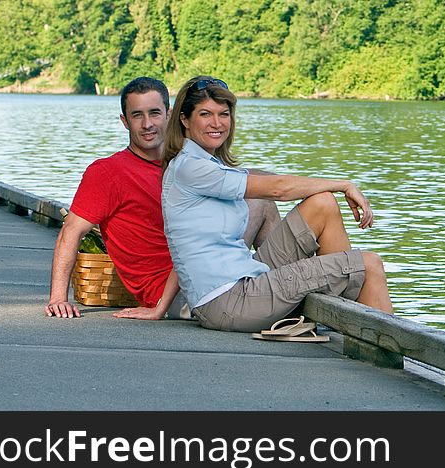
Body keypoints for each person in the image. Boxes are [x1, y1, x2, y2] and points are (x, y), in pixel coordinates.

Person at [158, 76, 393, 333]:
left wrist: (160, 307)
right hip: (230, 301)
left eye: (223, 114)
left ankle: (338, 303)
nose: (217, 123)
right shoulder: (193, 167)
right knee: (369, 265)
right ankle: (385, 356)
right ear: (184, 119)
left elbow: (183, 248)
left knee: (322, 203)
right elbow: (278, 189)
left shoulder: (200, 162)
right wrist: (344, 184)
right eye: (205, 114)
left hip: (243, 279)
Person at [45, 76, 280, 319]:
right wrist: (58, 298)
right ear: (125, 122)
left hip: (206, 269)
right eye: (137, 115)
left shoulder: (186, 163)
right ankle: (278, 287)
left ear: (169, 115)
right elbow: (70, 231)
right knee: (259, 200)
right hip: (176, 294)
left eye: (155, 113)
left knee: (259, 195)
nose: (147, 124)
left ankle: (277, 285)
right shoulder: (107, 173)